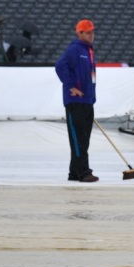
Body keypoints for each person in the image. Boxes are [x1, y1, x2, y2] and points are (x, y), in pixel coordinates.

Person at [54, 19, 99, 183]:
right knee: (78, 138)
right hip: (76, 102)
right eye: (88, 32)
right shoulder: (74, 49)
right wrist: (71, 87)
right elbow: (60, 66)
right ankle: (83, 172)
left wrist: (91, 98)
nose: (91, 35)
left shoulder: (89, 50)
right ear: (79, 33)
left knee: (84, 139)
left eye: (92, 32)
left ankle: (74, 171)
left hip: (87, 101)